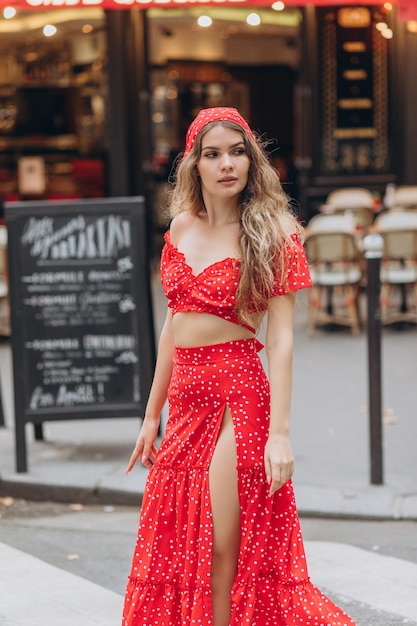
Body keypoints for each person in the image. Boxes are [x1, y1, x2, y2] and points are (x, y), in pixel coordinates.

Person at [122, 107, 356, 626]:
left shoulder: (273, 231)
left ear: (251, 161)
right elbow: (172, 328)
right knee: (181, 543)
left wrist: (281, 433)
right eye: (212, 154)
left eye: (237, 152)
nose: (226, 164)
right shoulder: (180, 227)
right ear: (194, 165)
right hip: (184, 398)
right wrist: (149, 416)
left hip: (237, 396)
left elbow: (284, 340)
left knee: (223, 547)